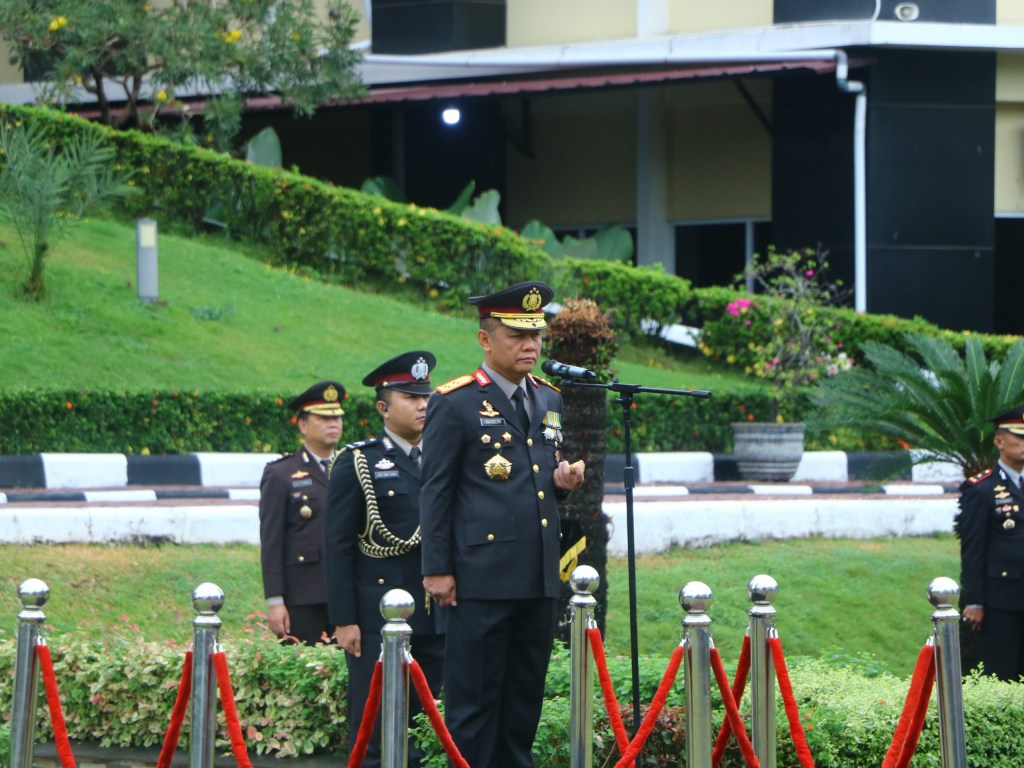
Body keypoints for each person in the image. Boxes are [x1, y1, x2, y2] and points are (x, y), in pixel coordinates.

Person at [419, 281, 585, 768]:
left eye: (536, 335)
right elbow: (436, 491)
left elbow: (532, 480)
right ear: (485, 340)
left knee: (521, 707)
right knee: (473, 709)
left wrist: (560, 482)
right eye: (516, 334)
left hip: (535, 577)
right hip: (480, 579)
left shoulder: (549, 398)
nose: (530, 345)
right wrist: (437, 569)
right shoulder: (456, 402)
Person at [324, 351, 445, 768]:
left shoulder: (444, 456)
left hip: (438, 615)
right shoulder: (359, 462)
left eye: (426, 396)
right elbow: (337, 546)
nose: (423, 405)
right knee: (375, 732)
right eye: (410, 397)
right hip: (378, 621)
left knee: (433, 733)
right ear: (383, 407)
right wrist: (344, 619)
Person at [259, 380, 345, 646]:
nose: (334, 424)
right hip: (303, 595)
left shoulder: (351, 467)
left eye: (337, 418)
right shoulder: (282, 473)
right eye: (323, 418)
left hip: (345, 593)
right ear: (303, 425)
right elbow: (272, 543)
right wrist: (275, 602)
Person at [958, 402, 1024, 681]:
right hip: (1001, 601)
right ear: (999, 440)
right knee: (1003, 675)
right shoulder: (982, 489)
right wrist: (974, 600)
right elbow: (972, 548)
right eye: (1019, 436)